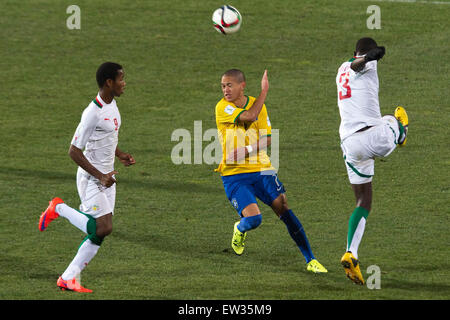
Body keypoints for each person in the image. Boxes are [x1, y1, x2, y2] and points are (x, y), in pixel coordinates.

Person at [215, 69, 327, 273]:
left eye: (229, 85)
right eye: (223, 86)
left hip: (262, 168)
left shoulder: (259, 105)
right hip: (234, 175)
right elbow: (250, 116)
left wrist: (246, 150)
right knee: (254, 220)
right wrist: (264, 91)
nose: (225, 90)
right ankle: (240, 228)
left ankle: (310, 260)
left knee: (283, 206)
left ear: (242, 86)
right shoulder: (223, 108)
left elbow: (268, 138)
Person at [38, 62, 135, 292]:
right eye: (121, 79)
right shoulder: (92, 113)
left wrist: (120, 154)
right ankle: (58, 208)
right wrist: (100, 176)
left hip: (107, 176)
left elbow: (107, 137)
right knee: (102, 228)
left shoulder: (112, 105)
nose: (124, 83)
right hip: (92, 178)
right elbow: (74, 150)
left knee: (101, 230)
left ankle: (68, 278)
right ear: (109, 83)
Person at [336, 38, 408, 284]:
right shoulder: (366, 64)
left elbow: (352, 65)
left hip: (349, 145)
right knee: (392, 119)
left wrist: (364, 57)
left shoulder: (340, 70)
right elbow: (359, 65)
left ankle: (351, 253)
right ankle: (401, 132)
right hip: (372, 135)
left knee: (363, 200)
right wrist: (369, 59)